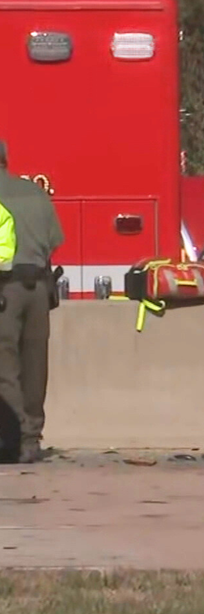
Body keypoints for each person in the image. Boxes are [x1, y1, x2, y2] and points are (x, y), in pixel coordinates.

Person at [0, 140, 64, 464]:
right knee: (35, 364)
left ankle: (13, 438)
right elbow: (55, 239)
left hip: (4, 290)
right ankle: (32, 438)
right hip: (39, 288)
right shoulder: (34, 192)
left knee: (5, 366)